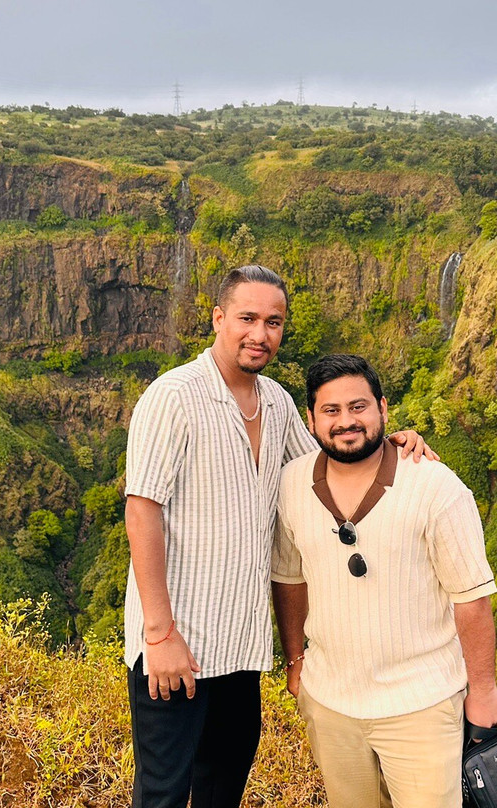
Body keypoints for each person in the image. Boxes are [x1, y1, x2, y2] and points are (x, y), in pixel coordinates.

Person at [123, 266, 433, 808]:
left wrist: (391, 441)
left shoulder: (277, 402)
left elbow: (324, 466)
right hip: (180, 644)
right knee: (164, 793)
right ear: (219, 318)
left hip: (241, 648)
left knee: (222, 789)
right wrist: (159, 634)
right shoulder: (172, 397)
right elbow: (143, 510)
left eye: (273, 322)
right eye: (247, 318)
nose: (259, 334)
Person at [271, 353, 497, 808]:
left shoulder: (436, 486)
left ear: (382, 407)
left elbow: (471, 599)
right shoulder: (292, 484)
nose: (346, 422)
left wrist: (484, 691)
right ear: (311, 418)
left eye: (358, 407)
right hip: (331, 702)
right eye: (331, 411)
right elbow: (289, 578)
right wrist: (295, 661)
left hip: (421, 705)